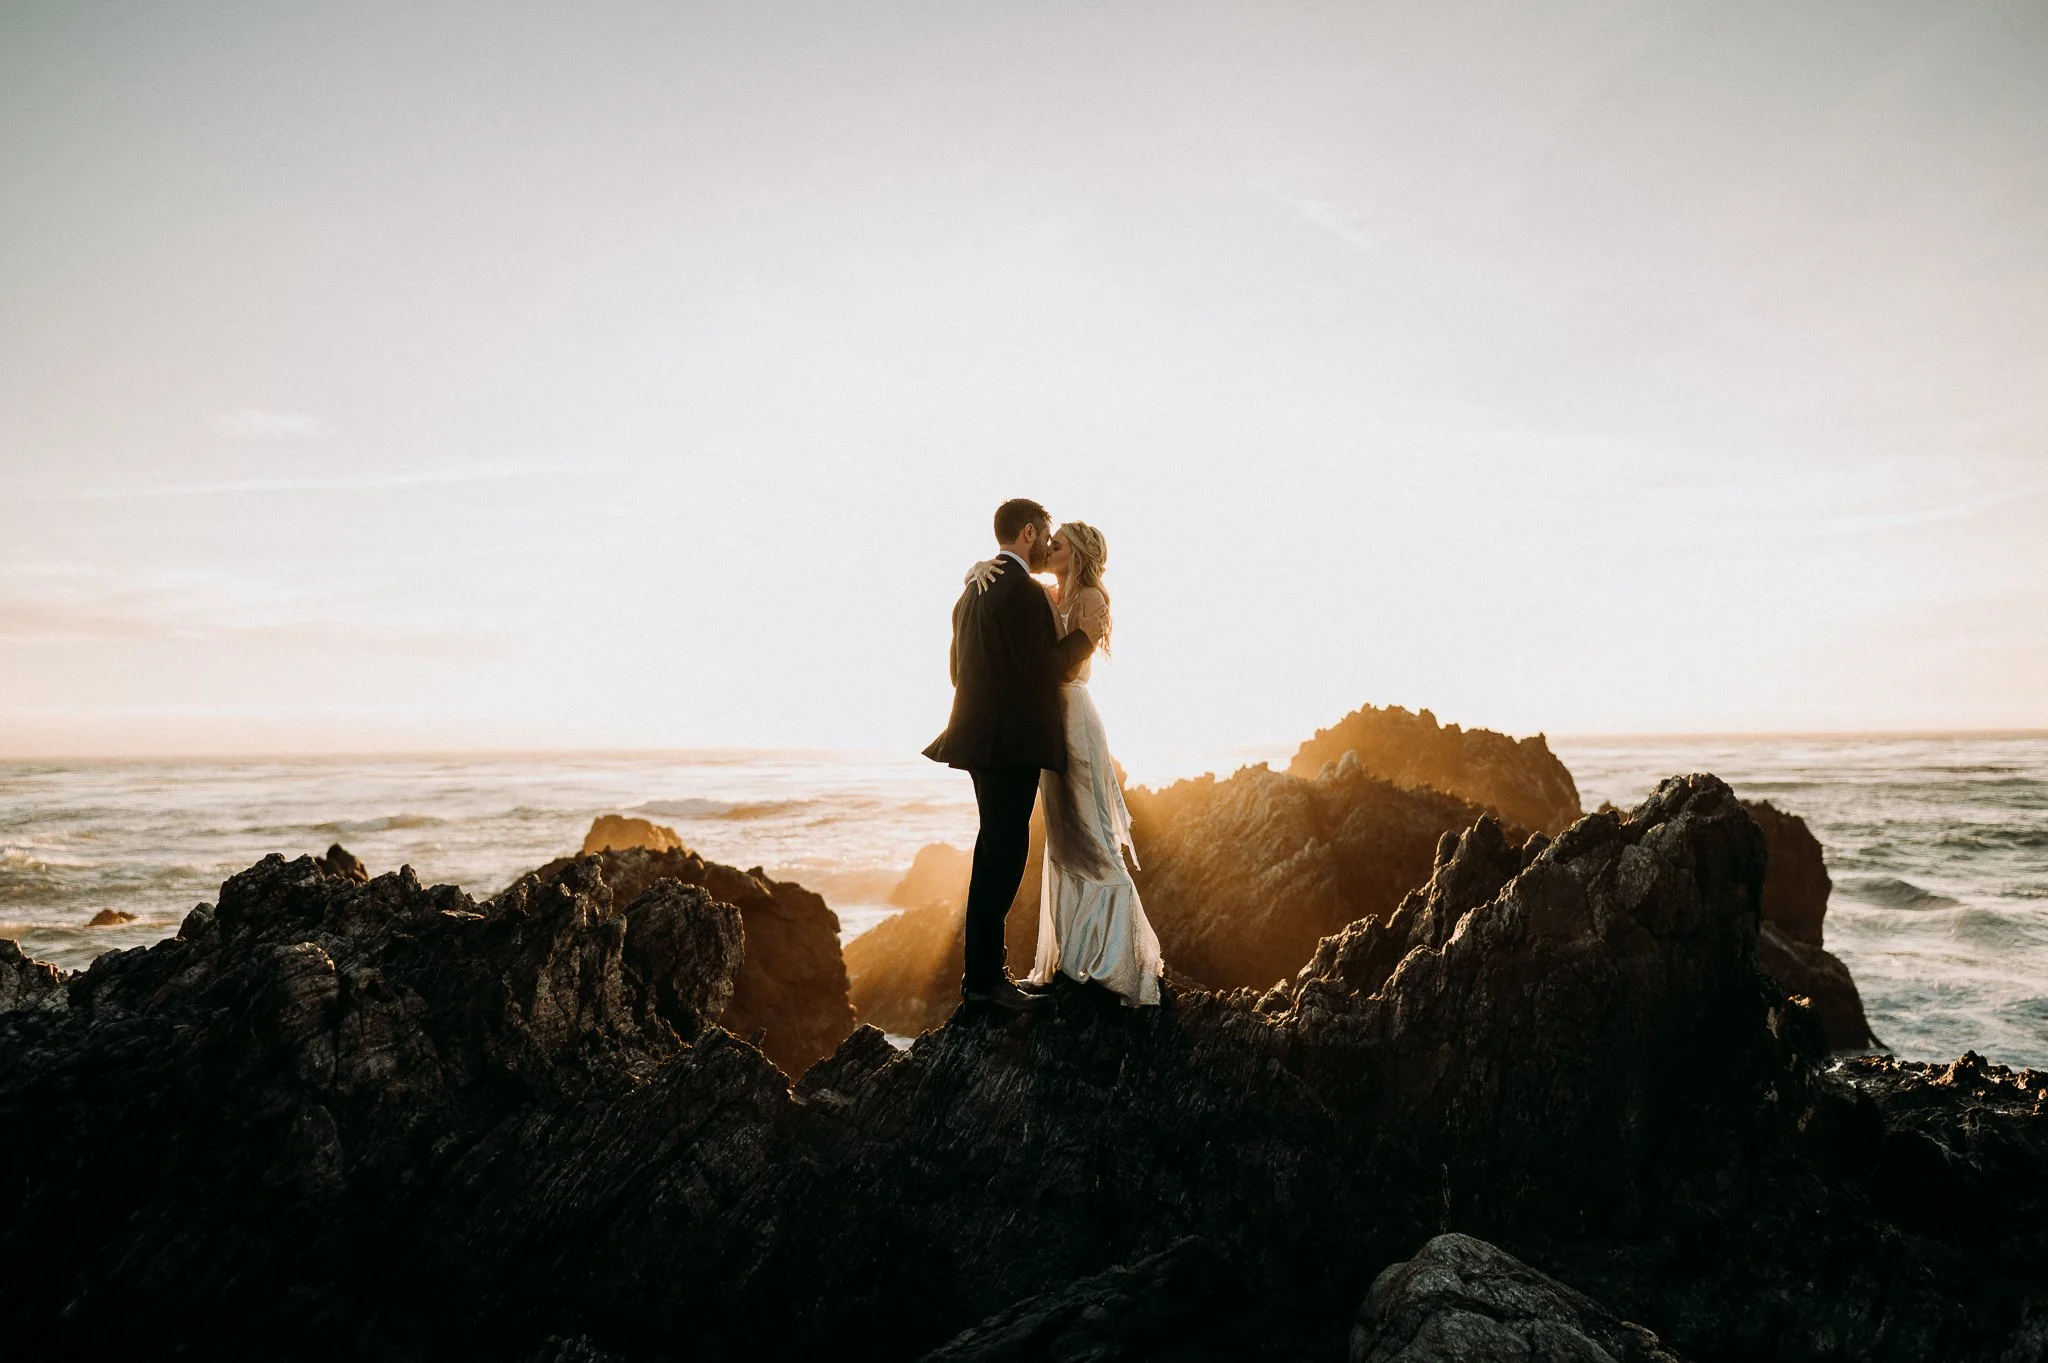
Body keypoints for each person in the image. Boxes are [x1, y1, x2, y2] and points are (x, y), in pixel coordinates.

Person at [923, 498, 1093, 1012]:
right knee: (1002, 858)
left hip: (979, 741)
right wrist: (1084, 640)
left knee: (993, 854)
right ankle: (984, 986)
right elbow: (1041, 667)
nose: (1047, 543)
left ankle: (986, 977)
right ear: (1027, 533)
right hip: (1007, 745)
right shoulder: (1019, 590)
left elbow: (957, 671)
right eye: (1044, 534)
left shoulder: (972, 590)